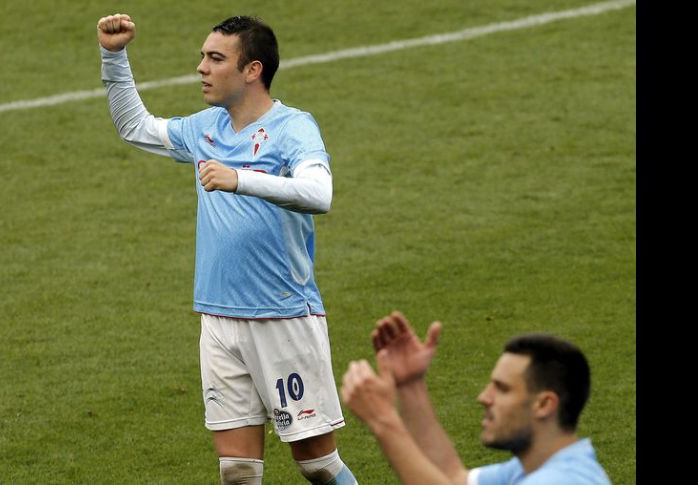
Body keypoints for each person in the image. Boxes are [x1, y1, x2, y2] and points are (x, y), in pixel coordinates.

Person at [96, 13, 357, 485]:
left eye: (215, 58)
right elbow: (135, 127)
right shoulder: (205, 128)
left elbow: (320, 195)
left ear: (252, 70)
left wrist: (240, 180)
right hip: (218, 318)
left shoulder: (293, 128)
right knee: (237, 471)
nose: (201, 67)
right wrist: (114, 56)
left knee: (317, 466)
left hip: (282, 317)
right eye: (203, 57)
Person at [340, 311, 611, 484]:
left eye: (502, 388)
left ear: (544, 404)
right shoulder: (528, 470)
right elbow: (451, 478)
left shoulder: (562, 481)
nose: (484, 397)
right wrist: (411, 386)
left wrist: (384, 421)